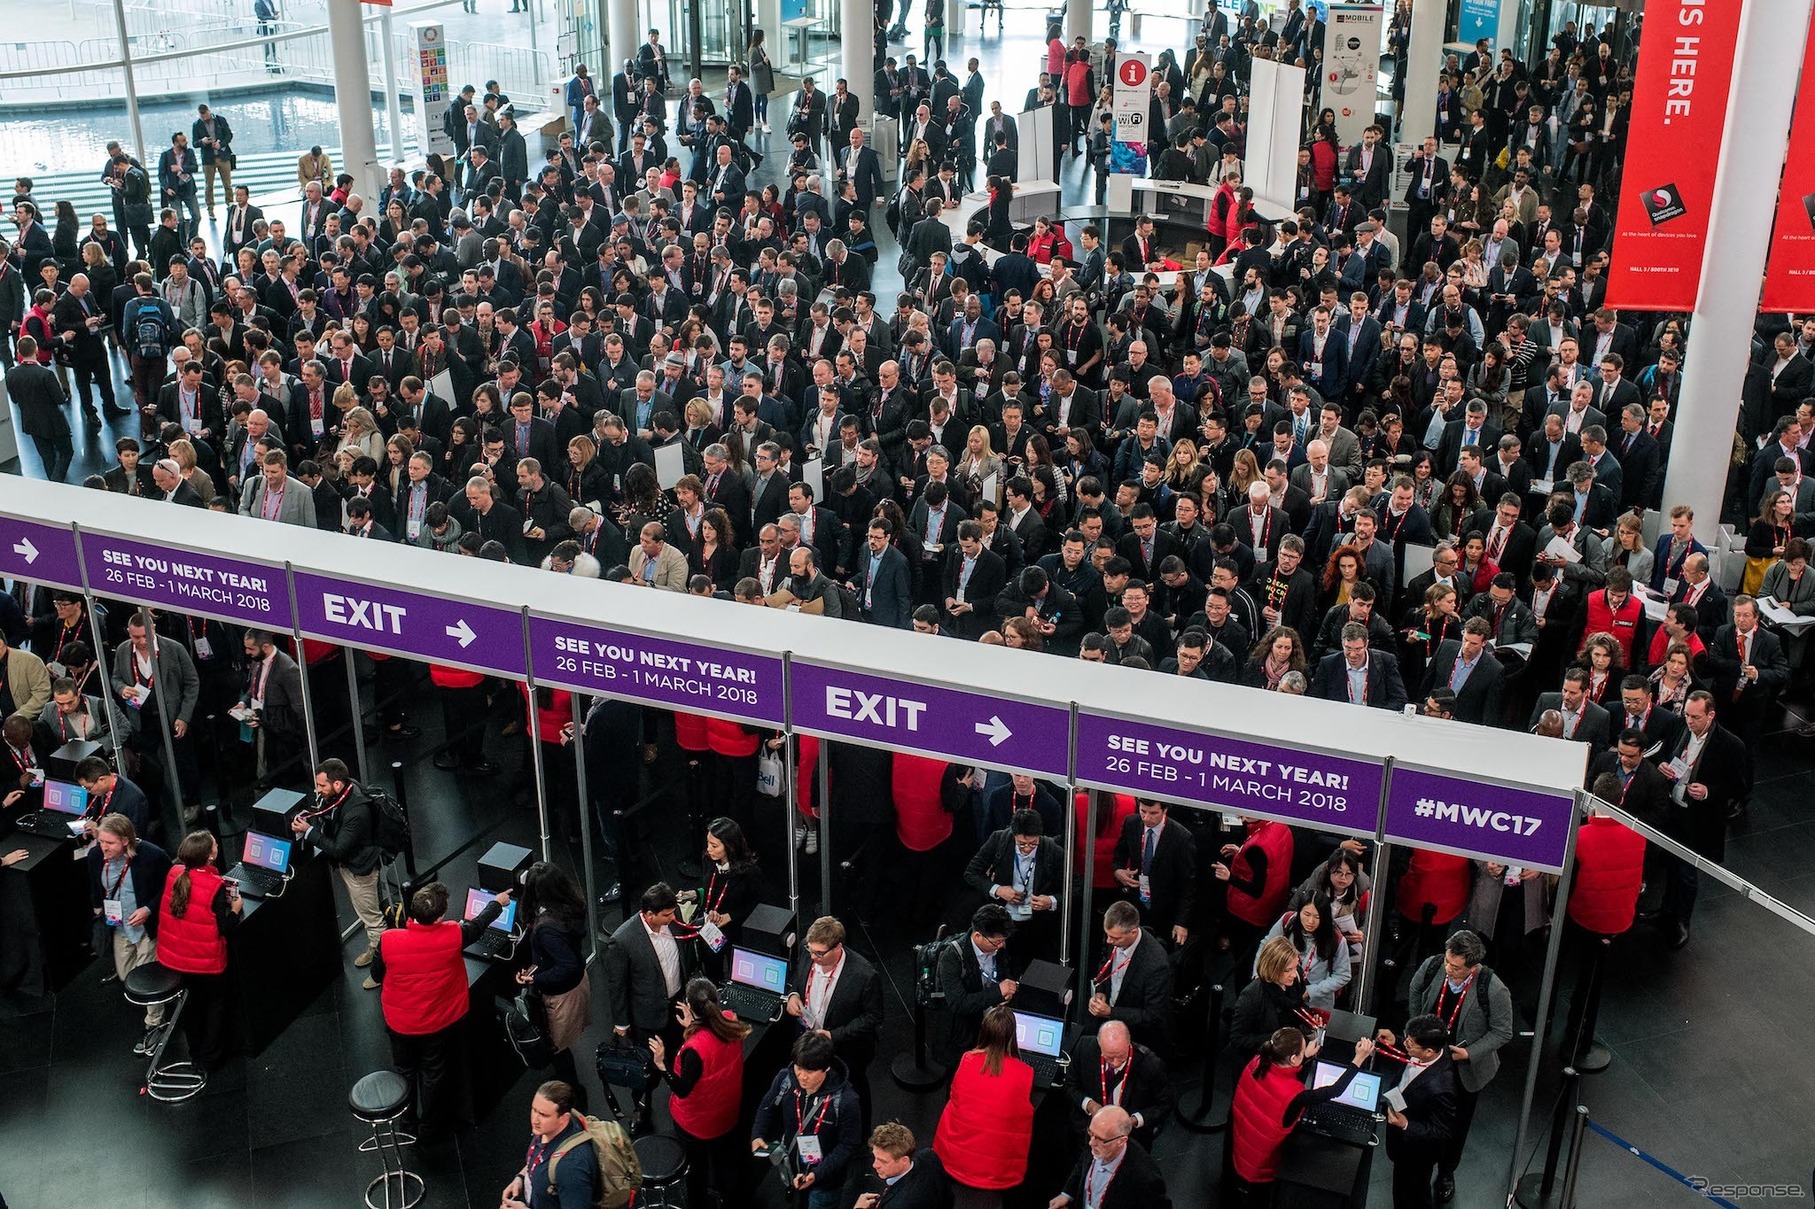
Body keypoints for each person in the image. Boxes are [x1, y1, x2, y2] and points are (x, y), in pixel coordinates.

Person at [372, 880, 509, 1143]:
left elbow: (377, 974)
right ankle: (429, 1126)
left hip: (400, 1022)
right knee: (432, 1072)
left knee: (405, 1071)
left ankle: (407, 1122)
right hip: (437, 1022)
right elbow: (477, 926)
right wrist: (497, 903)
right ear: (440, 916)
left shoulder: (388, 940)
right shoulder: (452, 935)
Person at [1395, 928, 1514, 1203]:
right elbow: (1414, 988)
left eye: (1456, 967)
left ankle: (1446, 1172)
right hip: (1427, 1059)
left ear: (1473, 967)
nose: (1448, 969)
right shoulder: (1434, 965)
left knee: (1456, 1127)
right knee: (1419, 1112)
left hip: (1463, 1071)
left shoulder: (1493, 989)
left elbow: (1503, 1032)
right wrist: (1417, 1029)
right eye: (1448, 961)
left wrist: (1469, 1053)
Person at [1230, 1027, 1376, 1203]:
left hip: (1242, 1148)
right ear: (1292, 1058)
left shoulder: (1258, 1061)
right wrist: (1358, 1059)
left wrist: (1305, 1056)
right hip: (1261, 1167)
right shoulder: (1293, 1095)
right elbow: (1334, 1091)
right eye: (1301, 1051)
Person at [1657, 690, 1751, 949]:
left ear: (1711, 715)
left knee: (1687, 872)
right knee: (1670, 865)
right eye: (1687, 714)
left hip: (1698, 819)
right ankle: (1665, 911)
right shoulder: (1680, 727)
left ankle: (1682, 921)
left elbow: (1739, 788)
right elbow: (1667, 754)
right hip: (1673, 810)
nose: (1689, 721)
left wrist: (1709, 791)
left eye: (1696, 717)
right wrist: (1664, 765)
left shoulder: (1730, 745)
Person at [649, 976, 750, 1208]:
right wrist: (693, 1025)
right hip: (727, 1114)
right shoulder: (730, 1021)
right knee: (724, 1161)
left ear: (691, 1006)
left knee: (697, 1171)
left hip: (697, 1125)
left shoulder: (694, 1050)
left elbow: (682, 1090)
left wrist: (662, 1064)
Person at [290, 758, 386, 986]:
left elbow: (339, 848)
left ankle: (382, 969)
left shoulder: (357, 812)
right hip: (352, 864)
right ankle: (375, 948)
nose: (317, 790)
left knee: (373, 919)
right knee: (366, 913)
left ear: (337, 785)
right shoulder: (344, 791)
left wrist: (309, 831)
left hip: (360, 869)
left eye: (322, 786)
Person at [785, 915, 885, 1127]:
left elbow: (873, 1017)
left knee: (854, 1090)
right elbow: (796, 978)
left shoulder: (864, 975)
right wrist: (793, 995)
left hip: (846, 1049)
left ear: (838, 947)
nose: (812, 956)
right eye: (810, 950)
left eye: (819, 953)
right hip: (809, 1037)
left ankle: (860, 1133)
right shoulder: (809, 953)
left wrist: (833, 1035)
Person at [932, 1003, 1035, 1208]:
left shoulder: (967, 1060)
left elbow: (955, 1097)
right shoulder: (1024, 1073)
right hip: (996, 1170)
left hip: (954, 1159)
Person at [606, 881, 692, 1126]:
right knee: (646, 1070)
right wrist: (621, 1024)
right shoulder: (623, 940)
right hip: (647, 1018)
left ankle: (682, 1097)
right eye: (667, 915)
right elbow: (617, 986)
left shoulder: (673, 923)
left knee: (679, 1058)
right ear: (649, 914)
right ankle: (641, 1107)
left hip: (677, 1008)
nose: (673, 917)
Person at [155, 829, 241, 1074]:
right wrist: (235, 909)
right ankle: (210, 1059)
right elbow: (223, 927)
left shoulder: (174, 874)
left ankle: (195, 1053)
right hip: (206, 962)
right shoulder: (215, 885)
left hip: (175, 958)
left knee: (193, 1005)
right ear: (210, 856)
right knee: (216, 1005)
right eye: (214, 844)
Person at [86, 812, 171, 1053]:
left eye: (109, 843)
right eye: (101, 841)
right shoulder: (95, 856)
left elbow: (170, 885)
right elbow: (95, 885)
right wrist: (97, 908)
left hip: (146, 928)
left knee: (148, 977)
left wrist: (148, 909)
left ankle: (155, 1023)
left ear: (125, 840)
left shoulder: (153, 856)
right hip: (119, 926)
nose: (103, 848)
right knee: (127, 975)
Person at [751, 1031, 864, 1209]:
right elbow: (767, 1106)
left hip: (826, 1181)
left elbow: (848, 1145)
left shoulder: (847, 1101)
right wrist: (757, 1134)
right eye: (798, 1067)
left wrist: (817, 1175)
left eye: (810, 1071)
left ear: (826, 1068)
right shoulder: (785, 1079)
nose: (802, 1076)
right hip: (791, 1165)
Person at [518, 862, 594, 1112]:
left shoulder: (547, 929)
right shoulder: (571, 906)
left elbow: (567, 965)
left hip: (562, 996)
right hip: (577, 985)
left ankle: (572, 1094)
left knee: (558, 1048)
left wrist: (535, 979)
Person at [1374, 1015, 1462, 1209]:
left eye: (1410, 1043)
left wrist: (1406, 1125)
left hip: (1416, 1154)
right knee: (1401, 1192)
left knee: (1414, 1197)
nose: (1406, 1044)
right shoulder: (1434, 1050)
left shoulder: (1442, 1088)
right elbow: (1413, 1050)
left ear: (1429, 1052)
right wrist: (1396, 1040)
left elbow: (1441, 1132)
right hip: (1402, 1146)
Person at [962, 808, 1064, 965]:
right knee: (1003, 967)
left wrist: (1051, 901)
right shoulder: (999, 840)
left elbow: (1075, 888)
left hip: (1037, 925)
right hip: (1002, 920)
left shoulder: (1052, 850)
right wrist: (998, 889)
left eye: (1033, 844)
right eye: (1022, 844)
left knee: (1034, 968)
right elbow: (971, 873)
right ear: (1014, 835)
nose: (1028, 849)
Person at [1064, 1020, 1174, 1152]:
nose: (1115, 1063)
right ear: (1100, 1046)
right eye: (1109, 1058)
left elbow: (1165, 1104)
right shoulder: (1084, 1048)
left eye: (1121, 1056)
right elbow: (1070, 1085)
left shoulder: (1151, 1065)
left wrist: (1132, 1120)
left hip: (1129, 1139)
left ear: (1129, 1044)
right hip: (1086, 1132)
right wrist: (1090, 1105)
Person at [934, 903, 1019, 1070]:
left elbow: (1007, 972)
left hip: (993, 1027)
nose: (1001, 945)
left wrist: (1007, 992)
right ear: (978, 936)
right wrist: (997, 993)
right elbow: (958, 1003)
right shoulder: (952, 956)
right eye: (997, 942)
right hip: (963, 1034)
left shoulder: (998, 947)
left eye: (1003, 941)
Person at [1086, 900, 1174, 1053]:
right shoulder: (1113, 935)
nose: (1109, 941)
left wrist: (1110, 1012)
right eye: (1107, 935)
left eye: (1114, 938)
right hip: (1105, 1023)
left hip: (1135, 1038)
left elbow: (1152, 1016)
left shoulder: (1156, 965)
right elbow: (1104, 962)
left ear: (1133, 932)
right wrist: (1101, 989)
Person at [500, 1081, 602, 1209]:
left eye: (543, 1115)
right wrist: (520, 1177)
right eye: (534, 1110)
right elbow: (538, 1158)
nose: (535, 1120)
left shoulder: (572, 1167)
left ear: (564, 1118)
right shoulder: (546, 1130)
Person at [1045, 1105, 1171, 1209]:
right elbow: (1082, 1165)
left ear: (1121, 1141)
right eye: (1090, 1133)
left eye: (1099, 1139)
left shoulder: (1146, 1178)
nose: (1091, 1143)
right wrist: (1066, 1194)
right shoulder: (1097, 1138)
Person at [1229, 935, 1313, 1060]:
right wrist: (1279, 1041)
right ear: (1273, 968)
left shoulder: (1295, 977)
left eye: (1295, 967)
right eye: (1287, 970)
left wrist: (1308, 1020)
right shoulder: (1251, 996)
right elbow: (1238, 1038)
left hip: (1292, 1051)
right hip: (1265, 1059)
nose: (1294, 974)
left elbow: (1297, 1005)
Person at [852, 1122, 951, 1209]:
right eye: (875, 1157)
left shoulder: (898, 1205)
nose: (875, 1165)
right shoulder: (929, 1156)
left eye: (883, 1161)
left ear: (904, 1160)